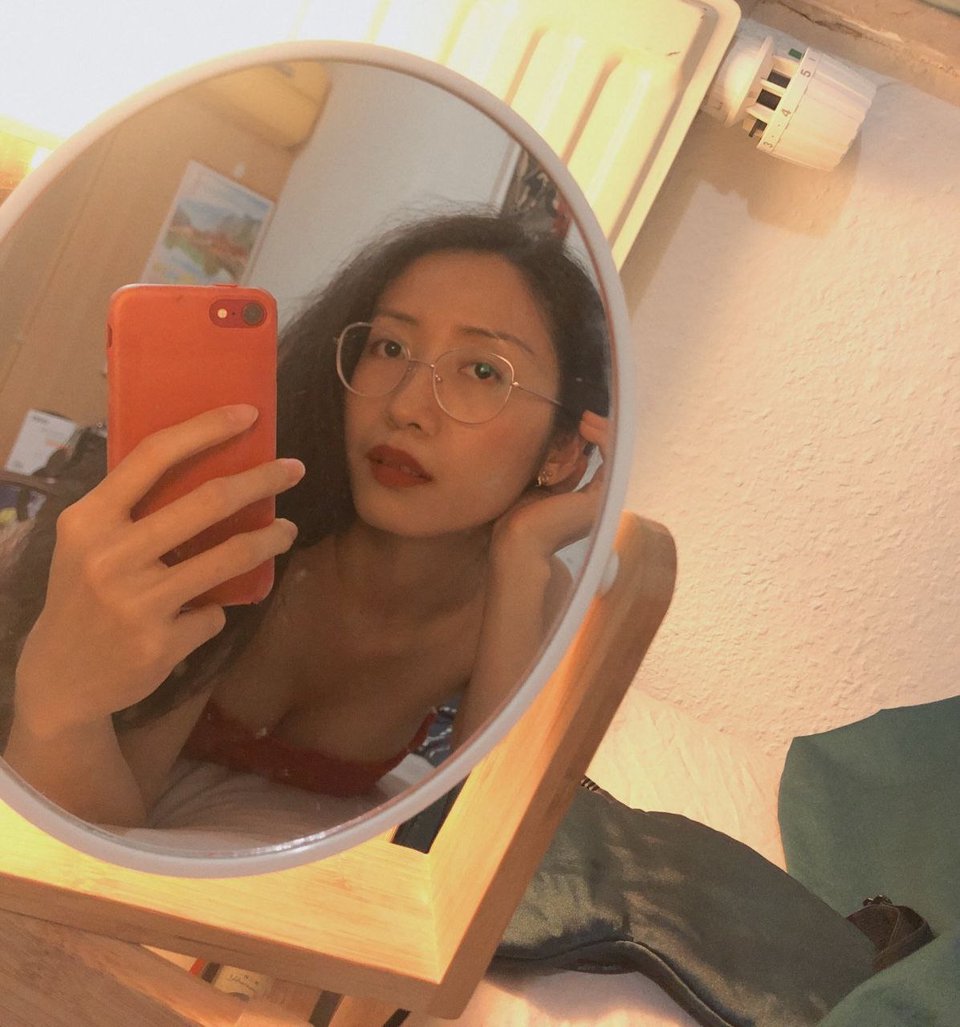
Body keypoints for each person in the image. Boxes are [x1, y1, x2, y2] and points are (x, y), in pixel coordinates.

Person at [0, 212, 610, 828]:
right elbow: (99, 826)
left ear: (562, 450)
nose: (404, 407)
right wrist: (58, 703)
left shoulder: (525, 593)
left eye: (483, 371)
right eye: (390, 347)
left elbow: (484, 837)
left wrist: (524, 554)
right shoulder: (253, 528)